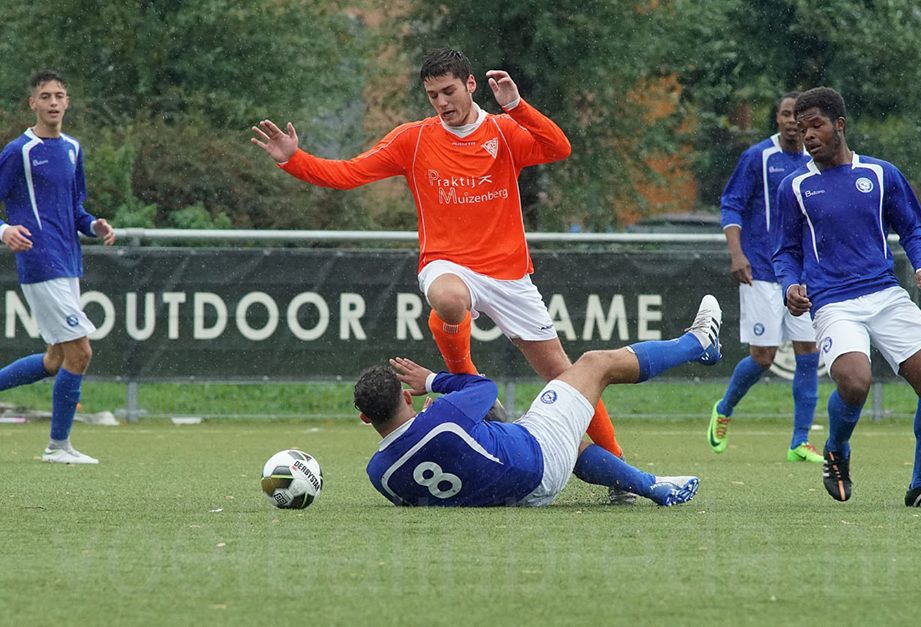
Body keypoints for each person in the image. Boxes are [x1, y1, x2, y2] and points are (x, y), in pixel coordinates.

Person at [252, 47, 632, 501]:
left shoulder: (504, 132)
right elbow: (348, 174)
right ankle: (466, 374)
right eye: (433, 95)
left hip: (510, 276)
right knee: (449, 300)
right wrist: (293, 159)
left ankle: (621, 476)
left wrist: (516, 105)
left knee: (567, 379)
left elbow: (559, 147)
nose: (442, 102)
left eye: (449, 91)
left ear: (470, 86)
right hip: (447, 265)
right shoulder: (412, 140)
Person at [355, 295, 721, 507]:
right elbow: (485, 389)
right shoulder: (443, 417)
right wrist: (433, 381)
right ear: (406, 394)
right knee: (595, 364)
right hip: (536, 457)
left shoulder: (378, 474)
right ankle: (699, 342)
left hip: (518, 495)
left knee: (573, 444)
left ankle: (643, 484)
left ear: (365, 418)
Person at [772, 86, 921, 508]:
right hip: (832, 300)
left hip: (884, 293)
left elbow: (912, 228)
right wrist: (790, 286)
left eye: (815, 125)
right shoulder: (796, 187)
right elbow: (785, 251)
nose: (808, 136)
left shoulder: (880, 174)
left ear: (839, 124)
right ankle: (836, 449)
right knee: (855, 382)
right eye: (801, 130)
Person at [0, 70, 115, 464]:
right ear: (32, 103)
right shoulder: (20, 151)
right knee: (80, 353)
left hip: (68, 262)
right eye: (45, 96)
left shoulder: (72, 149)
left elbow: (76, 209)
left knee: (56, 359)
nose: (52, 102)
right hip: (39, 260)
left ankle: (58, 446)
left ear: (67, 102)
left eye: (59, 95)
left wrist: (94, 225)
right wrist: (3, 230)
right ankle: (58, 447)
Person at [708, 92, 822, 463]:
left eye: (799, 117)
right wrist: (736, 253)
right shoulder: (758, 157)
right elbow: (732, 204)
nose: (793, 121)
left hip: (802, 273)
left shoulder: (815, 160)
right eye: (787, 114)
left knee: (808, 350)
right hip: (760, 269)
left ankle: (800, 441)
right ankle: (723, 409)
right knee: (763, 357)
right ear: (777, 119)